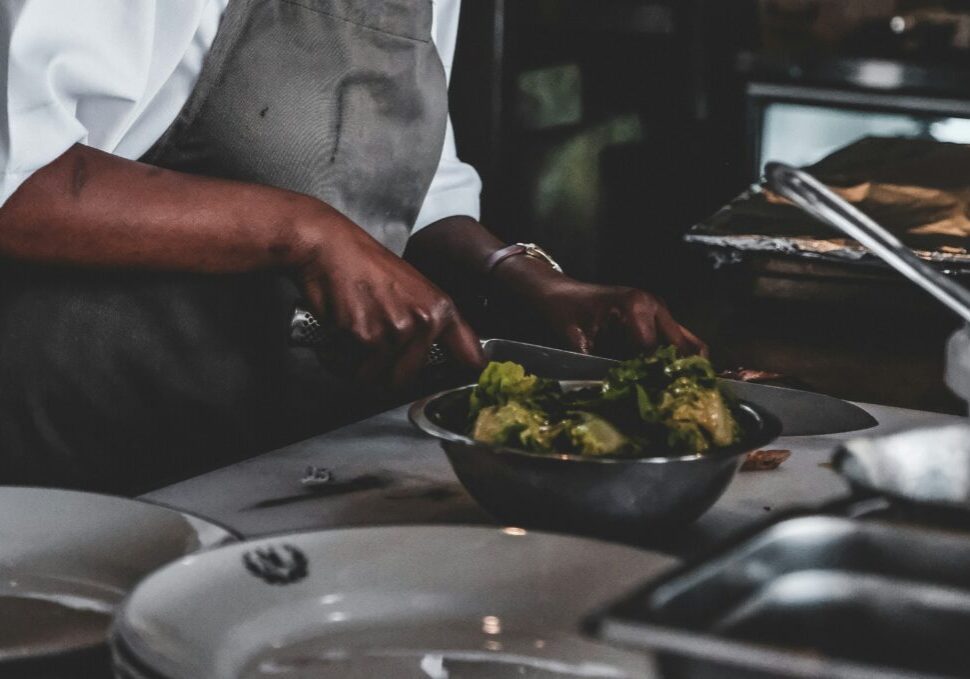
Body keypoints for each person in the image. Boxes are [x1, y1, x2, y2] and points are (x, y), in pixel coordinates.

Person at [0, 0, 705, 493]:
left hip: (282, 452)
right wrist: (299, 232)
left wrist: (519, 273)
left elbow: (406, 181)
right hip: (87, 453)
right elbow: (19, 181)